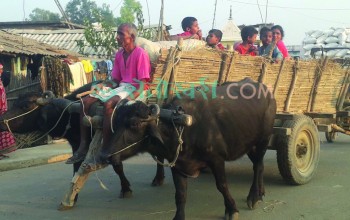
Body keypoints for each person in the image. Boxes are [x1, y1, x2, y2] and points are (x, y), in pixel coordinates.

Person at [66, 23, 151, 164]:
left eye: (121, 34)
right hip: (121, 87)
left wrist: (129, 98)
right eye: (117, 33)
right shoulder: (119, 54)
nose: (117, 37)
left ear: (132, 37)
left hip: (134, 88)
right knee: (85, 101)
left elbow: (143, 83)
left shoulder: (141, 54)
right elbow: (116, 80)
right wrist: (103, 85)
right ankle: (83, 146)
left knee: (109, 103)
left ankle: (106, 147)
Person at [0, 63, 16, 160]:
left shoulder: (1, 81)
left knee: (2, 128)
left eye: (1, 69)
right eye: (0, 69)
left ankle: (2, 151)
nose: (1, 71)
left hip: (2, 110)